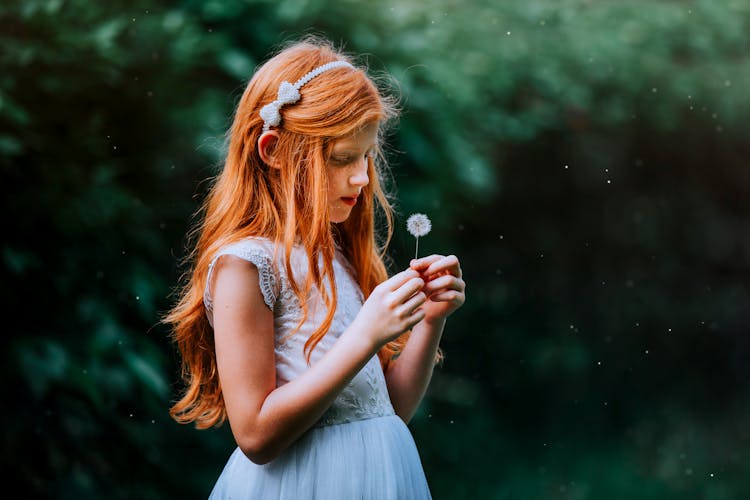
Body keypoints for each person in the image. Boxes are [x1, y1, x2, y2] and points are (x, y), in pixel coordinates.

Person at [163, 36, 466, 499]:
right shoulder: (246, 265)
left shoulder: (339, 252)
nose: (363, 177)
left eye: (366, 156)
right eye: (342, 158)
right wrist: (364, 335)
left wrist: (430, 320)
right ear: (273, 151)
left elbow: (388, 409)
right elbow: (255, 435)